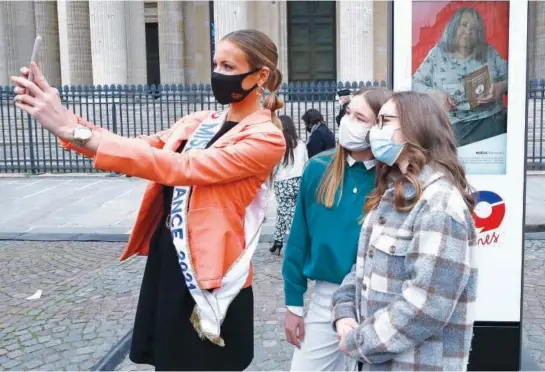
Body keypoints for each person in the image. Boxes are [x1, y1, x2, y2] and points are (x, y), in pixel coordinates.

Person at [12, 29, 286, 371]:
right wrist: (63, 120)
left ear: (261, 76)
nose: (217, 73)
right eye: (216, 63)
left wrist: (72, 129)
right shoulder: (199, 121)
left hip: (211, 273)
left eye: (228, 66)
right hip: (170, 257)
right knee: (169, 361)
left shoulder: (266, 138)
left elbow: (182, 167)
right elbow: (140, 149)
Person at [333, 91, 478, 371]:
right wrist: (343, 312)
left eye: (384, 121)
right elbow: (362, 267)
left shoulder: (439, 204)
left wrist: (359, 341)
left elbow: (428, 304)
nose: (374, 131)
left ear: (415, 128)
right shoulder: (393, 191)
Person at [283, 87, 393, 371]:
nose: (348, 121)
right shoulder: (318, 168)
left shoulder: (394, 178)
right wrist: (294, 303)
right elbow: (299, 238)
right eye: (348, 113)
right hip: (328, 297)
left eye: (360, 117)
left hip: (381, 298)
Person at [412, 7, 508, 147]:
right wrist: (432, 94)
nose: (468, 31)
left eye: (474, 28)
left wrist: (501, 87)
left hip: (489, 123)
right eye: (464, 25)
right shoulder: (438, 54)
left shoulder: (489, 52)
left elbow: (516, 79)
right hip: (449, 128)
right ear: (454, 27)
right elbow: (413, 83)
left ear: (479, 33)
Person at [270, 115, 309, 255]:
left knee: (287, 212)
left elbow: (274, 165)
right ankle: (278, 240)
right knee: (284, 211)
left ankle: (297, 242)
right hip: (298, 180)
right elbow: (306, 162)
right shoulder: (300, 143)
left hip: (283, 181)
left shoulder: (279, 143)